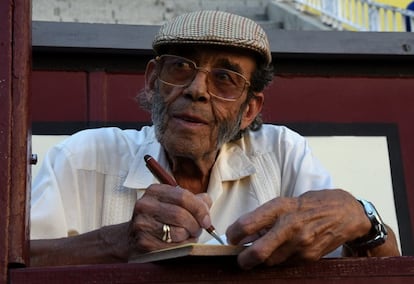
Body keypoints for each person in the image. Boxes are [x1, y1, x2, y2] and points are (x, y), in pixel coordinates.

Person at [30, 10, 400, 269]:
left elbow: (384, 265)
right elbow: (17, 263)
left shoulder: (284, 154)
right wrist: (117, 243)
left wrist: (364, 218)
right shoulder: (84, 157)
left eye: (224, 78)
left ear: (250, 109)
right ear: (152, 81)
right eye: (180, 67)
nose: (196, 90)